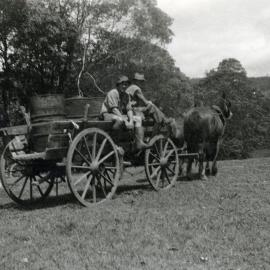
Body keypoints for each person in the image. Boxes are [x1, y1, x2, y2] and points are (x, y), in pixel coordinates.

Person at [126, 73, 182, 141]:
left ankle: (163, 119)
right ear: (136, 81)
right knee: (152, 106)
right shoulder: (136, 88)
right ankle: (164, 120)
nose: (141, 83)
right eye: (140, 81)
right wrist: (149, 102)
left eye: (141, 81)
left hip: (130, 109)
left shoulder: (130, 87)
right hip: (133, 109)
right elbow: (144, 101)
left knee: (152, 106)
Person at [100, 75, 150, 150]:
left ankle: (139, 143)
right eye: (122, 84)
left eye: (126, 84)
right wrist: (126, 121)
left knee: (138, 119)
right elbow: (114, 109)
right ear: (118, 84)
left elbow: (129, 109)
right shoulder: (113, 92)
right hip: (107, 114)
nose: (124, 86)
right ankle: (113, 142)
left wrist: (130, 120)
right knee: (119, 120)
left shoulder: (126, 95)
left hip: (119, 115)